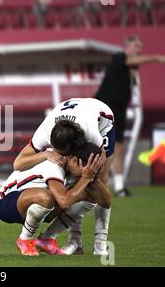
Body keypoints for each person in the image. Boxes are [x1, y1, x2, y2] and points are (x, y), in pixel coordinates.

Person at [13, 98, 114, 255]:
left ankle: (100, 243)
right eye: (54, 150)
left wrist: (89, 178)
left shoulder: (91, 134)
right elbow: (18, 164)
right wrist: (45, 154)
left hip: (103, 119)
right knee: (76, 182)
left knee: (99, 180)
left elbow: (97, 176)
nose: (59, 158)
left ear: (74, 146)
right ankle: (75, 243)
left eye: (63, 153)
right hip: (70, 115)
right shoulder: (46, 131)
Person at [94, 35, 165, 197]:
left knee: (119, 147)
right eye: (136, 46)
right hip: (103, 108)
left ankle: (120, 187)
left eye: (140, 47)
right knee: (95, 143)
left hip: (119, 110)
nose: (139, 50)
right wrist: (157, 58)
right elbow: (131, 61)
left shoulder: (131, 70)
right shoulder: (119, 57)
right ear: (127, 47)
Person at [0, 142, 104, 256]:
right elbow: (64, 202)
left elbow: (104, 201)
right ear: (74, 160)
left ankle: (47, 239)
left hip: (37, 205)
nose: (88, 172)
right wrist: (86, 178)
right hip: (6, 202)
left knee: (90, 196)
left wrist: (94, 179)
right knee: (48, 197)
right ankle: (25, 239)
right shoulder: (55, 164)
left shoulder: (76, 169)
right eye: (88, 169)